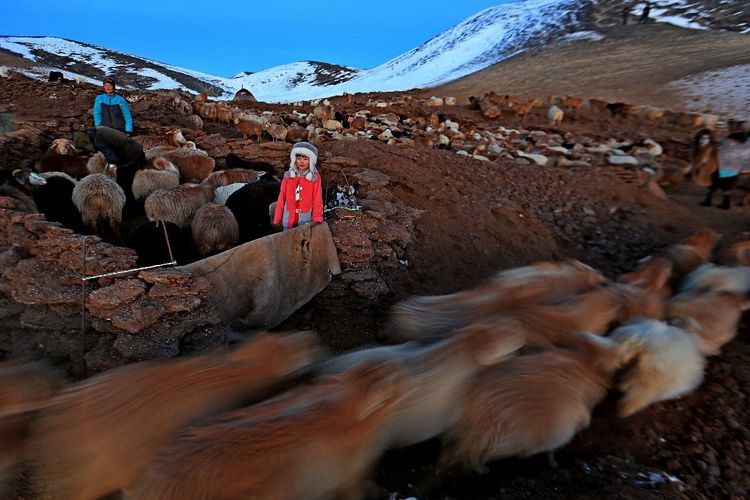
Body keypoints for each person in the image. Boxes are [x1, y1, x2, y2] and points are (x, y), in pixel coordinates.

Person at [273, 142, 324, 231]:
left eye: (305, 159)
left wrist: (317, 218)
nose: (301, 161)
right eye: (299, 158)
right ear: (294, 159)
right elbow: (282, 197)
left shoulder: (314, 178)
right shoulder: (288, 176)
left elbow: (317, 198)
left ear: (311, 161)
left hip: (305, 221)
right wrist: (277, 218)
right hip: (288, 220)